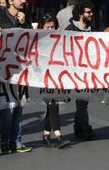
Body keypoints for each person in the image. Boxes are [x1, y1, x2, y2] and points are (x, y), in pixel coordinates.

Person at [0, 0, 32, 155]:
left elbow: (31, 36)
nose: (23, 1)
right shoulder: (0, 16)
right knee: (8, 108)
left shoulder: (25, 16)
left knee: (19, 107)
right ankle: (6, 142)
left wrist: (24, 23)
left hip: (21, 68)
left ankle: (17, 141)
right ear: (10, 1)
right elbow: (9, 32)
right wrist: (19, 23)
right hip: (5, 70)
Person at [65, 1, 96, 140]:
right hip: (75, 72)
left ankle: (78, 126)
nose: (91, 14)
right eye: (88, 12)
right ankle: (85, 128)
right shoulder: (69, 30)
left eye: (91, 12)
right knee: (81, 101)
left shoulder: (92, 30)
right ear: (80, 14)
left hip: (89, 71)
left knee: (84, 101)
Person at [38, 14, 68, 148]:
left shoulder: (59, 39)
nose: (50, 29)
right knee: (53, 105)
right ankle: (59, 136)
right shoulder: (38, 39)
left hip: (56, 77)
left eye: (52, 26)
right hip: (42, 78)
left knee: (51, 107)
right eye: (47, 26)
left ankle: (45, 134)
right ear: (41, 27)